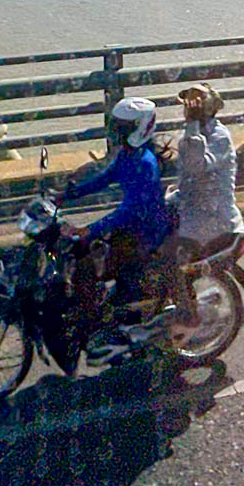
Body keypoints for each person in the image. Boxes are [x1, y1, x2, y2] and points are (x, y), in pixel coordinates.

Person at [57, 96, 175, 361]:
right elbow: (106, 178)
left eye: (125, 127)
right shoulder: (129, 155)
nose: (119, 132)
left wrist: (90, 229)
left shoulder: (144, 163)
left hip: (145, 232)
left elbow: (128, 210)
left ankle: (115, 327)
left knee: (93, 268)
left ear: (141, 127)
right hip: (132, 226)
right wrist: (70, 193)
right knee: (84, 258)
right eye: (118, 126)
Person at [163, 83, 244, 330]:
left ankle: (186, 312)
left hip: (210, 221)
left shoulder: (218, 137)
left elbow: (196, 166)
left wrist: (191, 125)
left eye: (194, 104)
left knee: (164, 255)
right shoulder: (195, 133)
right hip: (195, 210)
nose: (188, 109)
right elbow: (193, 184)